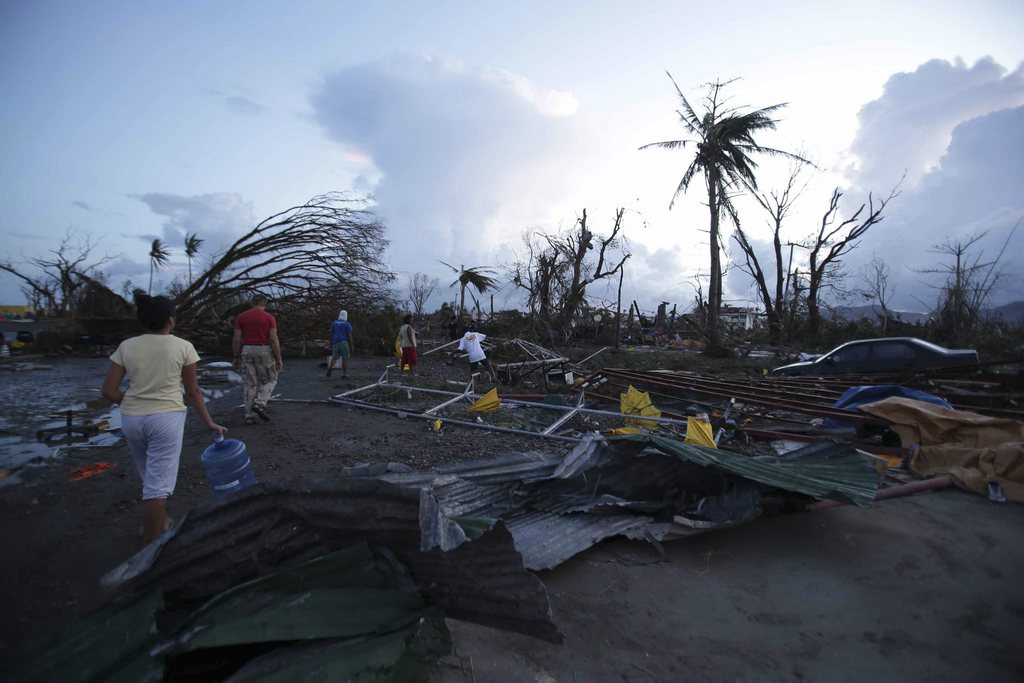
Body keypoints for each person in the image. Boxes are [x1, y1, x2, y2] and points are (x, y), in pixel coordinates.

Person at [101, 294, 227, 545]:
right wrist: (210, 422)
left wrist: (133, 403)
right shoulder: (183, 346)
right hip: (167, 419)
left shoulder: (127, 346)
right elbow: (192, 392)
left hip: (132, 420)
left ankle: (161, 521)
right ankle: (150, 549)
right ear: (171, 320)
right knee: (157, 486)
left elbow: (108, 391)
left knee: (150, 477)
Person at [232, 295, 283, 424]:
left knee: (250, 383)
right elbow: (273, 339)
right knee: (271, 379)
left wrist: (236, 356)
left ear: (251, 303)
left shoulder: (242, 317)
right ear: (264, 303)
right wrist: (278, 358)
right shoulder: (269, 318)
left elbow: (237, 339)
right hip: (264, 350)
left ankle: (249, 415)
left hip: (247, 350)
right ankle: (259, 403)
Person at [327, 309, 353, 378]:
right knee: (344, 359)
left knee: (334, 357)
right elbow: (350, 335)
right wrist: (351, 345)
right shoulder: (347, 324)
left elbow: (331, 334)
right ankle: (344, 374)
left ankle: (331, 367)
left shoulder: (334, 323)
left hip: (335, 342)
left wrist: (330, 344)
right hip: (344, 342)